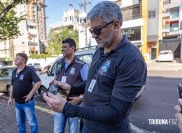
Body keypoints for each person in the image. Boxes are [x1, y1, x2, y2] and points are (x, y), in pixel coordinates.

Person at [43, 1, 147, 133]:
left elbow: (116, 112)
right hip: (88, 126)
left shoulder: (131, 59)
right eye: (91, 30)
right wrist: (72, 88)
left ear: (116, 25)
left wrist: (68, 108)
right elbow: (95, 82)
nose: (93, 35)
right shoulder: (100, 49)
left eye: (97, 30)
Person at [51, 38, 89, 133]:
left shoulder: (82, 65)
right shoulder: (59, 63)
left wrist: (81, 97)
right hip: (59, 102)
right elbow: (57, 77)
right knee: (57, 131)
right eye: (62, 47)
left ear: (72, 48)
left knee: (73, 131)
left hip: (74, 104)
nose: (62, 49)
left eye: (65, 47)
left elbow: (88, 86)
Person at [8, 53, 42, 133]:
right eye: (15, 58)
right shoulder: (14, 71)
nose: (15, 59)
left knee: (32, 122)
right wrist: (10, 98)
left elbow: (38, 82)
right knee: (20, 123)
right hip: (17, 103)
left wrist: (30, 94)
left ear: (23, 60)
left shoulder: (29, 70)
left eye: (18, 58)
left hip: (27, 102)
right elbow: (12, 85)